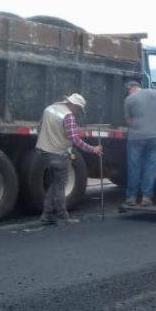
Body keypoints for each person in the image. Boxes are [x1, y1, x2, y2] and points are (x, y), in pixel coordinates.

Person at [35, 93, 102, 225]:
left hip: (45, 152)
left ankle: (46, 214)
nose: (77, 111)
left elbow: (39, 127)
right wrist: (93, 149)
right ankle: (62, 215)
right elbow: (75, 139)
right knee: (60, 185)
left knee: (55, 183)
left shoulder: (49, 109)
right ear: (73, 104)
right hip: (59, 153)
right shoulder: (68, 116)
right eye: (78, 108)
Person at [123, 81, 156, 206]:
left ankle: (131, 197)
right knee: (150, 168)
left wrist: (137, 124)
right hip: (155, 136)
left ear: (131, 88)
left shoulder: (129, 99)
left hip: (136, 138)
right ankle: (146, 197)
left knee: (134, 167)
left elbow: (128, 121)